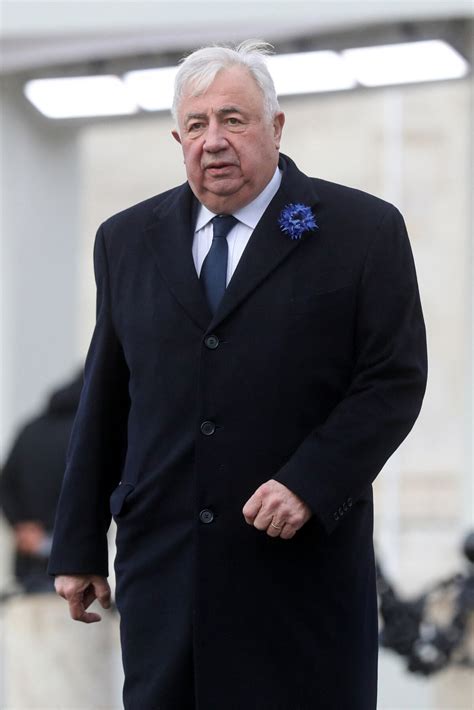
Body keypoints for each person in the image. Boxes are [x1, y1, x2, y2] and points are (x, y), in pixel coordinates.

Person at [49, 40, 427, 709]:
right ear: (177, 138)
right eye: (196, 125)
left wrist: (309, 482)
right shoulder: (126, 240)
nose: (214, 141)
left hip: (296, 575)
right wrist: (78, 542)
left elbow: (392, 378)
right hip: (165, 573)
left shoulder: (362, 231)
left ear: (276, 127)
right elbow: (106, 398)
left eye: (234, 119)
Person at [1, 373, 83, 593]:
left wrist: (21, 524)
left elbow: (6, 483)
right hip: (76, 560)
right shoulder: (84, 432)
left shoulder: (30, 428)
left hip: (30, 552)